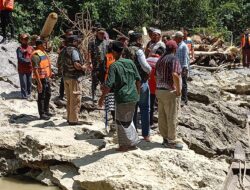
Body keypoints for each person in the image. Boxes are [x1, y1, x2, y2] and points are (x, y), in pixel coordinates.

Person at [98, 41, 141, 152]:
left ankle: (124, 145)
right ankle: (133, 142)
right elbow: (138, 79)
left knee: (120, 122)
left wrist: (102, 98)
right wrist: (138, 94)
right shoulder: (130, 62)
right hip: (133, 96)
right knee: (129, 120)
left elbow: (108, 85)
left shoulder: (114, 66)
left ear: (113, 52)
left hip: (122, 97)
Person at [155, 40, 183, 150]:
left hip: (159, 90)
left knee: (162, 116)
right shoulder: (173, 59)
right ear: (175, 49)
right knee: (172, 116)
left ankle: (165, 138)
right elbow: (175, 74)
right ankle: (171, 140)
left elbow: (155, 75)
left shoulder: (160, 59)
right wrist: (178, 90)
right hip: (169, 91)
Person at [125, 32, 152, 142]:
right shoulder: (139, 51)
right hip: (141, 82)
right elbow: (145, 66)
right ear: (138, 39)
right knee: (145, 108)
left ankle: (133, 133)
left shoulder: (125, 50)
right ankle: (146, 134)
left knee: (133, 109)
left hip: (128, 82)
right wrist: (150, 71)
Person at [58, 35, 86, 125]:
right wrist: (83, 68)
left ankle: (69, 118)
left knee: (69, 99)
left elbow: (58, 64)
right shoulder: (74, 51)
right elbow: (76, 64)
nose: (78, 43)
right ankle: (73, 120)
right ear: (73, 42)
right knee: (75, 99)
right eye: (77, 41)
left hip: (65, 78)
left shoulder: (63, 51)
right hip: (74, 78)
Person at [31, 39, 53, 120]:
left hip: (46, 77)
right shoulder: (35, 55)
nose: (46, 46)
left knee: (48, 94)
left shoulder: (43, 52)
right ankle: (42, 114)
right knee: (41, 96)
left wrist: (50, 73)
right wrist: (39, 83)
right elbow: (35, 70)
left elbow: (45, 64)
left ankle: (46, 111)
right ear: (39, 45)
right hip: (41, 79)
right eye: (44, 44)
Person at [88, 28, 109, 102]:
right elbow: (89, 53)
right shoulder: (92, 42)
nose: (102, 35)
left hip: (104, 65)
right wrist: (90, 62)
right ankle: (94, 96)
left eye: (103, 33)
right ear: (97, 33)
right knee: (95, 80)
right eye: (100, 33)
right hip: (95, 65)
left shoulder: (106, 42)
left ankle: (103, 96)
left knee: (104, 81)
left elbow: (109, 53)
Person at [146, 47, 165, 128]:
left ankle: (146, 121)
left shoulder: (147, 59)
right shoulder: (161, 61)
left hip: (145, 84)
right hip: (155, 86)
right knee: (152, 105)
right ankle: (150, 122)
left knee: (146, 105)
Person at [57, 29, 74, 100]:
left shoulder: (73, 41)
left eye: (71, 34)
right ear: (66, 34)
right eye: (69, 34)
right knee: (63, 80)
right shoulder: (63, 42)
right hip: (64, 63)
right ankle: (61, 95)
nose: (71, 35)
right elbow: (58, 51)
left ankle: (70, 95)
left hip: (71, 63)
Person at [174, 31, 189, 105]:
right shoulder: (177, 45)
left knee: (183, 83)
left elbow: (185, 57)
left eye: (175, 37)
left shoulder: (183, 46)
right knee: (178, 83)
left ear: (179, 38)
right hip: (177, 67)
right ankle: (179, 97)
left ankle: (184, 99)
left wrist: (184, 68)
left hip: (182, 68)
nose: (174, 38)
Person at [16, 33, 34, 99]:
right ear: (21, 40)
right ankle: (24, 96)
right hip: (22, 69)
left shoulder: (31, 48)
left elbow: (34, 56)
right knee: (23, 83)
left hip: (29, 69)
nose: (25, 40)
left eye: (26, 39)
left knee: (29, 82)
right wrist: (29, 60)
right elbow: (20, 58)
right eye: (23, 39)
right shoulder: (19, 49)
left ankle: (29, 94)